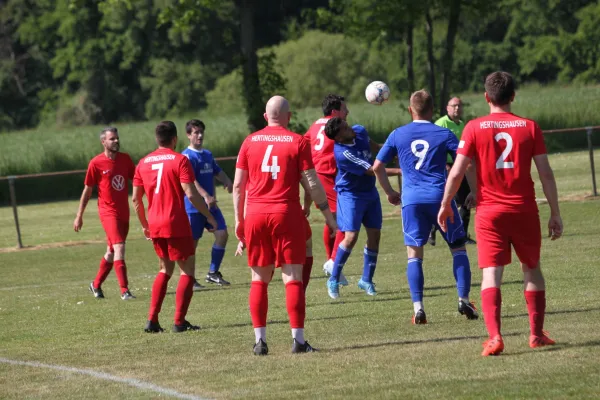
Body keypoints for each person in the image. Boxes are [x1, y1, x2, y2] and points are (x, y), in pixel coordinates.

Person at [438, 71, 563, 356]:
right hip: (523, 209)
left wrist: (446, 203)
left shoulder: (473, 127)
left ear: (486, 97)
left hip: (489, 213)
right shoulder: (530, 127)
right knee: (532, 269)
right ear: (513, 96)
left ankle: (495, 337)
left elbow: (457, 172)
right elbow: (545, 173)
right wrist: (555, 212)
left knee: (491, 274)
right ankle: (535, 334)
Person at [233, 95, 337, 355]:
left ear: (266, 117)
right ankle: (298, 341)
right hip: (286, 213)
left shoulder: (249, 142)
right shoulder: (298, 142)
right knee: (292, 277)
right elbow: (312, 184)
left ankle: (260, 341)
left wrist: (239, 222)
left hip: (256, 214)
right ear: (289, 117)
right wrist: (329, 218)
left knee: (259, 278)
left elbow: (237, 186)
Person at [373, 90, 477, 324]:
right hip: (441, 199)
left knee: (414, 255)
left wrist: (390, 192)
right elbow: (467, 163)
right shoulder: (444, 133)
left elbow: (377, 165)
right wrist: (474, 191)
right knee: (458, 248)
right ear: (432, 112)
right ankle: (463, 299)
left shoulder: (397, 134)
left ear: (411, 110)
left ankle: (418, 308)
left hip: (412, 201)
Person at [132, 121, 217, 333]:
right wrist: (208, 215)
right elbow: (190, 193)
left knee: (164, 269)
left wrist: (144, 225)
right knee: (187, 271)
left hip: (155, 224)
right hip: (175, 223)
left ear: (157, 139)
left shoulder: (143, 163)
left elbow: (135, 199)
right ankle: (179, 321)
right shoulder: (180, 160)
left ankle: (152, 320)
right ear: (175, 139)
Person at [323, 118, 400, 299]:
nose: (350, 128)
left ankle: (366, 280)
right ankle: (333, 279)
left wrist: (393, 152)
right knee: (350, 237)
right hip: (351, 195)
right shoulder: (343, 153)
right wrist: (400, 171)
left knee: (375, 234)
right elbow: (373, 169)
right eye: (345, 128)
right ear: (339, 137)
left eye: (346, 124)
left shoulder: (359, 131)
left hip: (369, 192)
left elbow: (374, 147)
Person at [74, 127, 136, 300]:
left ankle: (95, 285)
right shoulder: (96, 163)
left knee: (111, 251)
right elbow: (87, 191)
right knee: (119, 247)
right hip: (108, 212)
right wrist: (79, 215)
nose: (116, 141)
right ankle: (124, 291)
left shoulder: (125, 159)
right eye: (112, 139)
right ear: (103, 142)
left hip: (124, 212)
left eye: (117, 138)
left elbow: (137, 179)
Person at [182, 119, 233, 290]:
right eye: (195, 132)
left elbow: (217, 171)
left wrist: (228, 182)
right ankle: (190, 279)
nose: (200, 135)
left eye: (201, 132)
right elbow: (190, 180)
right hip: (194, 207)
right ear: (188, 135)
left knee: (222, 234)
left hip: (210, 206)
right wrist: (205, 195)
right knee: (192, 245)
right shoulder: (187, 156)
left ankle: (212, 273)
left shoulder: (207, 154)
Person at [303, 94, 349, 283]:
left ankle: (331, 262)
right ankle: (332, 262)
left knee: (331, 217)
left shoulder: (314, 125)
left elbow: (304, 144)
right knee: (345, 219)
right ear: (335, 111)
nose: (348, 112)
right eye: (345, 108)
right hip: (327, 174)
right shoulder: (337, 124)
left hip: (317, 174)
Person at [428, 97, 476, 246]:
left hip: (461, 165)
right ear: (447, 108)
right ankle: (433, 228)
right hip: (447, 166)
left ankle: (463, 235)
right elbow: (433, 147)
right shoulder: (441, 123)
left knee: (466, 200)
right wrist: (444, 165)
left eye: (459, 106)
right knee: (451, 200)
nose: (457, 108)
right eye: (454, 106)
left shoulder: (462, 125)